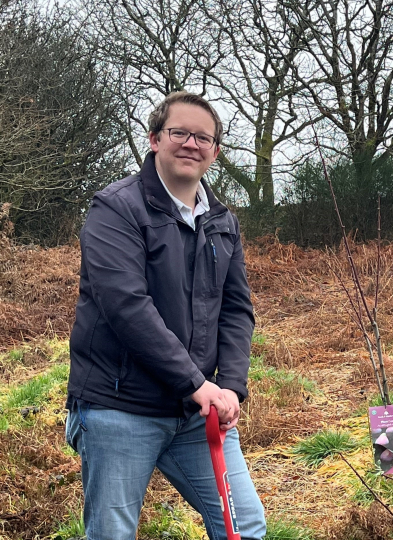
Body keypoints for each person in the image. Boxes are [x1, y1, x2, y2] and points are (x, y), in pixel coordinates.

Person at [65, 91, 266, 540]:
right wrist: (196, 383)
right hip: (120, 408)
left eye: (203, 137)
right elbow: (127, 307)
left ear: (215, 152)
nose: (191, 144)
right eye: (179, 133)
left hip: (196, 412)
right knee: (112, 534)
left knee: (245, 525)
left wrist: (229, 386)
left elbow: (236, 309)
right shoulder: (115, 209)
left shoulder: (222, 221)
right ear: (155, 139)